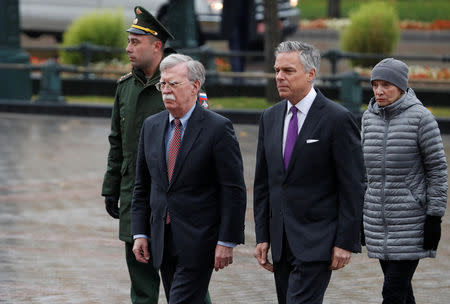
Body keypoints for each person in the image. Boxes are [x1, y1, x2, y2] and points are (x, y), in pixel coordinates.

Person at [102, 6, 212, 304]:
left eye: (136, 42)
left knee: (188, 287)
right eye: (129, 41)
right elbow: (117, 143)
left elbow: (202, 142)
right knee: (141, 286)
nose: (128, 48)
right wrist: (111, 189)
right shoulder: (125, 87)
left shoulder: (182, 81)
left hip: (175, 203)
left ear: (157, 45)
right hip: (135, 199)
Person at [253, 41, 365, 304]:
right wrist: (263, 236)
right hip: (281, 243)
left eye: (288, 71)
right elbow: (263, 184)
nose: (279, 77)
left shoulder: (337, 119)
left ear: (311, 74)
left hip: (318, 242)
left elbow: (353, 185)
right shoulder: (269, 118)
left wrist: (346, 241)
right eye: (277, 70)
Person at [131, 54, 246, 304]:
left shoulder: (217, 128)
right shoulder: (151, 126)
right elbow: (142, 186)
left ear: (195, 87)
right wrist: (140, 232)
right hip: (162, 238)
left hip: (199, 241)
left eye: (174, 84)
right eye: (163, 84)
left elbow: (233, 189)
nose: (166, 91)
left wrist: (227, 240)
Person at [361, 58, 448, 304]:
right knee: (402, 293)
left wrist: (434, 216)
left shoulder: (422, 119)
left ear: (401, 87)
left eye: (386, 85)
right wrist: (361, 212)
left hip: (412, 221)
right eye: (375, 84)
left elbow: (438, 170)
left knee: (392, 293)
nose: (379, 91)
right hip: (377, 221)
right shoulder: (368, 119)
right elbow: (364, 173)